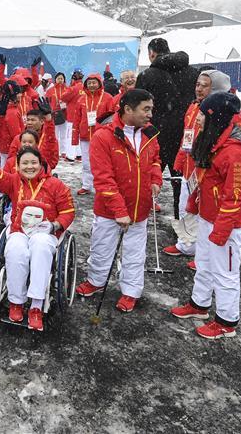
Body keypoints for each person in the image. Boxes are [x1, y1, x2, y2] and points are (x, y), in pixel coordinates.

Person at [170, 92, 241, 340]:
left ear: (215, 117)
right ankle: (199, 304)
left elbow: (234, 196)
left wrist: (222, 230)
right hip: (208, 218)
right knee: (204, 264)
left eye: (203, 115)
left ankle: (227, 321)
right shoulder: (213, 142)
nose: (199, 119)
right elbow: (206, 181)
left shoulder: (233, 153)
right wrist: (195, 204)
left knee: (225, 273)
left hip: (226, 224)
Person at [75, 89, 162, 313]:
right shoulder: (104, 137)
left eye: (151, 109)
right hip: (109, 210)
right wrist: (119, 210)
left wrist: (155, 180)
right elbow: (103, 179)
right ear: (127, 109)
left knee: (135, 252)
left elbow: (155, 160)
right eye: (146, 109)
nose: (150, 114)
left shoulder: (149, 134)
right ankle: (96, 280)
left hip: (140, 208)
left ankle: (131, 291)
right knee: (102, 247)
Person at [0, 146, 74, 331]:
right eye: (24, 163)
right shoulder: (14, 181)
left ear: (41, 164)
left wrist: (55, 225)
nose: (29, 167)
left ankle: (36, 305)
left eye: (33, 162)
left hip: (45, 231)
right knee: (15, 247)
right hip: (20, 229)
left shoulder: (56, 185)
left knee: (40, 246)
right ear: (17, 166)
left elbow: (68, 211)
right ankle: (16, 301)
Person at [164, 70, 231, 269]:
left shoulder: (228, 112)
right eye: (197, 84)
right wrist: (179, 161)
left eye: (204, 85)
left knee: (206, 214)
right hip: (189, 169)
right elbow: (186, 136)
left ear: (216, 89)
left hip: (207, 172)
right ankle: (188, 244)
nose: (199, 89)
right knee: (188, 207)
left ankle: (204, 253)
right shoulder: (193, 107)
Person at [135, 39, 198, 187]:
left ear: (151, 53)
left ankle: (146, 207)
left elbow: (138, 108)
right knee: (183, 181)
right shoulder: (193, 73)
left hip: (155, 134)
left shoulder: (147, 75)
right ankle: (181, 210)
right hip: (184, 135)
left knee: (147, 179)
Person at [74, 73, 114, 195]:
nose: (92, 85)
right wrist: (75, 137)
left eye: (94, 82)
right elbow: (77, 119)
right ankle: (86, 185)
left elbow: (112, 117)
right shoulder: (81, 99)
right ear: (86, 84)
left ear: (99, 83)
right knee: (86, 162)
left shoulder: (107, 97)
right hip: (85, 136)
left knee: (101, 162)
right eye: (89, 83)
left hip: (101, 136)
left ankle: (101, 186)